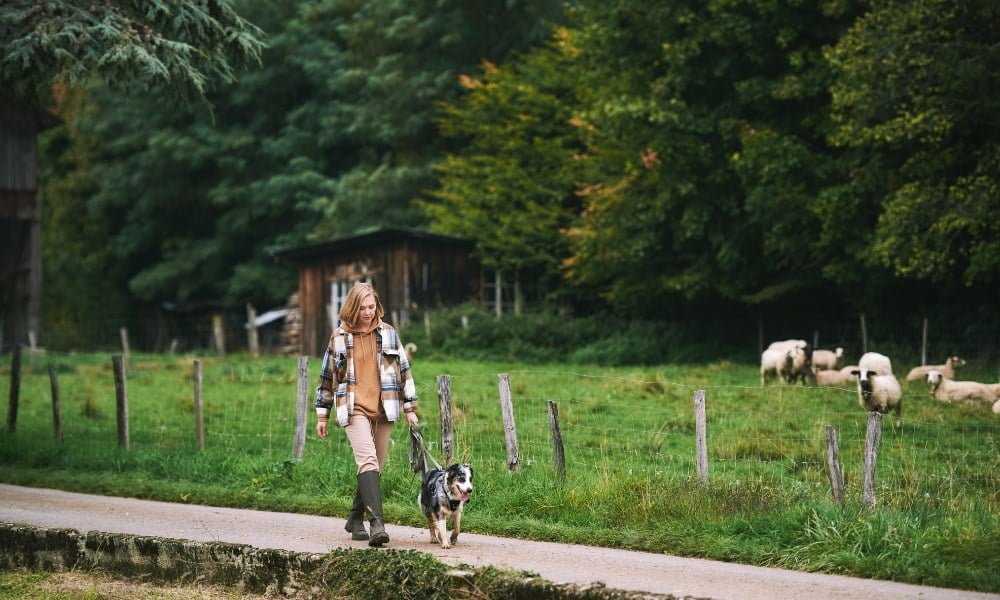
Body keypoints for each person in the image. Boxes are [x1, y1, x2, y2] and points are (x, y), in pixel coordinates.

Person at [315, 282, 419, 547]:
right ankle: (377, 525)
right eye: (362, 307)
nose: (368, 312)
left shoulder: (389, 333)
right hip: (353, 408)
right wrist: (322, 415)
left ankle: (354, 517)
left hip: (386, 407)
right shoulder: (338, 337)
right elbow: (326, 378)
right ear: (352, 307)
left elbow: (404, 372)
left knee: (376, 466)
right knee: (367, 460)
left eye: (372, 307)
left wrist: (410, 409)